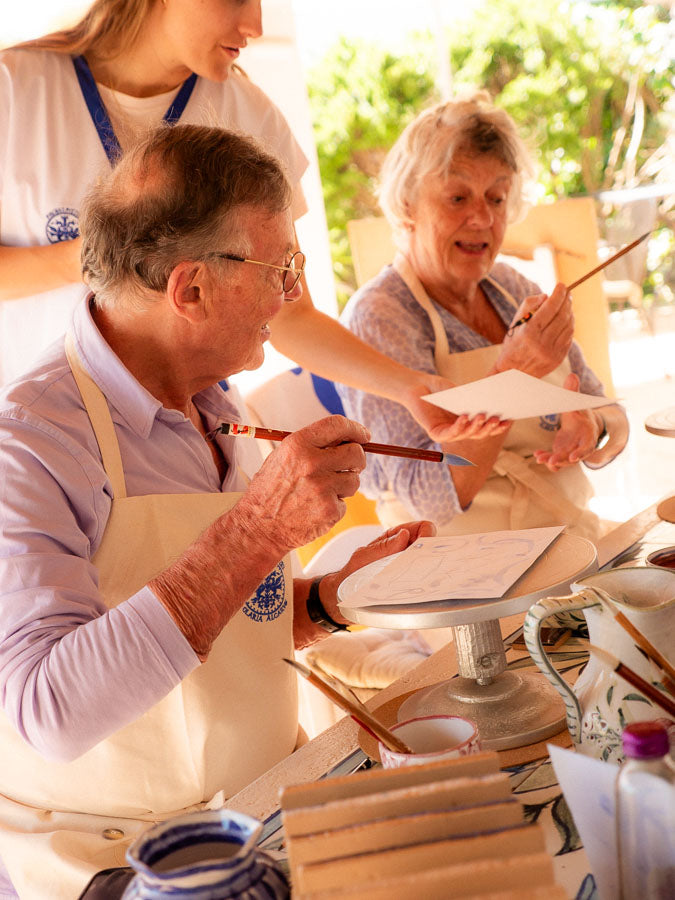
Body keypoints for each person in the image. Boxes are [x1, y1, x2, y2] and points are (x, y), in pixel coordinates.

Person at [0, 123, 436, 900]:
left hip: (266, 809)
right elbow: (49, 711)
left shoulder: (216, 399)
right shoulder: (29, 444)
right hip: (129, 863)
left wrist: (327, 602)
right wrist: (258, 530)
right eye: (281, 269)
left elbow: (222, 634)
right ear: (190, 289)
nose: (292, 295)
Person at [0, 0, 491, 446]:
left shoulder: (249, 115)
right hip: (47, 438)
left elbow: (288, 313)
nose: (255, 24)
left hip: (188, 438)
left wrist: (408, 386)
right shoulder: (16, 89)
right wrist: (105, 255)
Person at [338, 93, 629, 542]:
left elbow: (605, 409)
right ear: (408, 205)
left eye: (497, 198)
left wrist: (591, 426)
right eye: (458, 197)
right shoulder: (380, 316)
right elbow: (429, 500)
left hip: (566, 538)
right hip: (460, 575)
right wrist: (515, 373)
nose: (482, 218)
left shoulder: (511, 287)